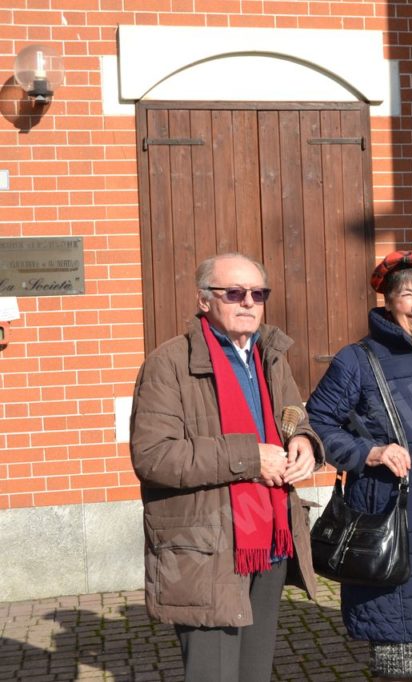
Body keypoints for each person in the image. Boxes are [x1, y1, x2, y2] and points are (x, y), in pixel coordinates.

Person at [130, 252, 324, 682]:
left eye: (258, 293)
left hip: (269, 535)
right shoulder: (168, 364)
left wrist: (304, 442)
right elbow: (154, 456)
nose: (248, 302)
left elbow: (294, 414)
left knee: (254, 671)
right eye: (234, 293)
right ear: (204, 300)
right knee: (214, 673)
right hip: (208, 547)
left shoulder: (269, 353)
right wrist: (250, 457)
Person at [305, 250, 412, 680]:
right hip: (394, 516)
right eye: (408, 293)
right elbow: (318, 423)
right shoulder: (357, 360)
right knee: (402, 658)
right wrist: (370, 453)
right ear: (388, 300)